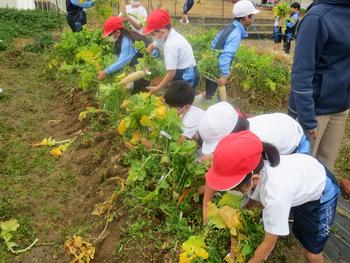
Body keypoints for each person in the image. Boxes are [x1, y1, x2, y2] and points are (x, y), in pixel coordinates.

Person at [204, 131, 339, 263]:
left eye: (233, 187)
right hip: (302, 176)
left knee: (312, 252)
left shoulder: (275, 196)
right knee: (299, 229)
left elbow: (268, 245)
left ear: (254, 179)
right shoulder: (256, 161)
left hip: (323, 190)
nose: (229, 191)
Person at [288, 0, 350, 172]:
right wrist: (307, 119)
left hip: (340, 108)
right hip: (315, 110)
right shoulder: (317, 18)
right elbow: (301, 73)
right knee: (302, 168)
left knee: (325, 168)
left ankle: (322, 199)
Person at [198, 102, 310, 162]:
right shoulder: (242, 128)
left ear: (231, 135)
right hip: (285, 125)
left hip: (295, 144)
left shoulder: (254, 146)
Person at [197, 0, 260, 100]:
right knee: (213, 95)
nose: (253, 19)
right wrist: (224, 74)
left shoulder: (229, 27)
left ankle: (195, 102)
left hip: (213, 65)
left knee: (210, 92)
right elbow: (227, 55)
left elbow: (214, 43)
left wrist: (212, 59)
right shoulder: (236, 34)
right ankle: (194, 104)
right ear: (245, 18)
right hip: (219, 69)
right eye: (252, 16)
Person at [143, 9, 199, 94]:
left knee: (179, 102)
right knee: (175, 99)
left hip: (187, 76)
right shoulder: (167, 34)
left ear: (162, 32)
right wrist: (147, 62)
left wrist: (157, 88)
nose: (152, 36)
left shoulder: (171, 45)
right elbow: (151, 46)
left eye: (152, 34)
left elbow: (171, 74)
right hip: (182, 72)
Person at [97, 16, 150, 92]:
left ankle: (142, 90)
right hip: (142, 60)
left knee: (138, 85)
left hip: (149, 62)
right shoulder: (124, 36)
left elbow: (122, 62)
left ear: (118, 32)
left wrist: (105, 71)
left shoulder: (126, 42)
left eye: (109, 35)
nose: (108, 37)